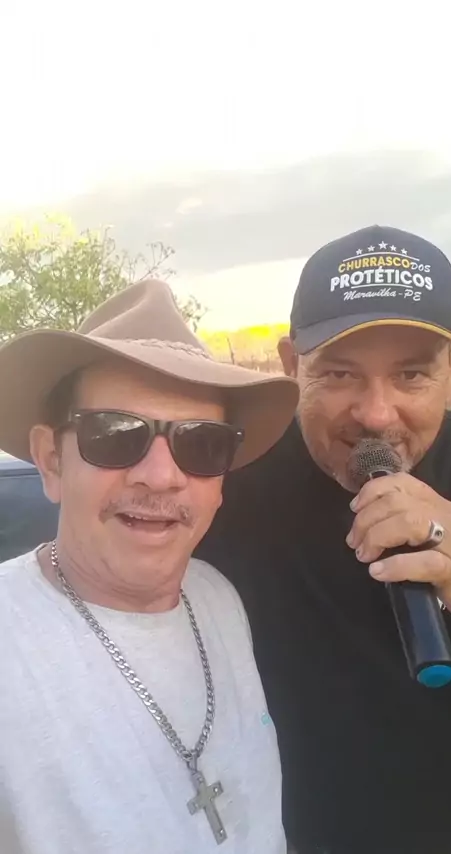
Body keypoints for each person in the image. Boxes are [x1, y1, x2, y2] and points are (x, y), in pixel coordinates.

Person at [196, 225, 451, 854]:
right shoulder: (224, 481)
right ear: (291, 364)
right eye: (341, 374)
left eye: (411, 374)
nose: (376, 414)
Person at [0, 278, 299, 854]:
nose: (161, 477)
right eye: (115, 435)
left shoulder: (217, 597)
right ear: (51, 460)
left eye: (202, 444)